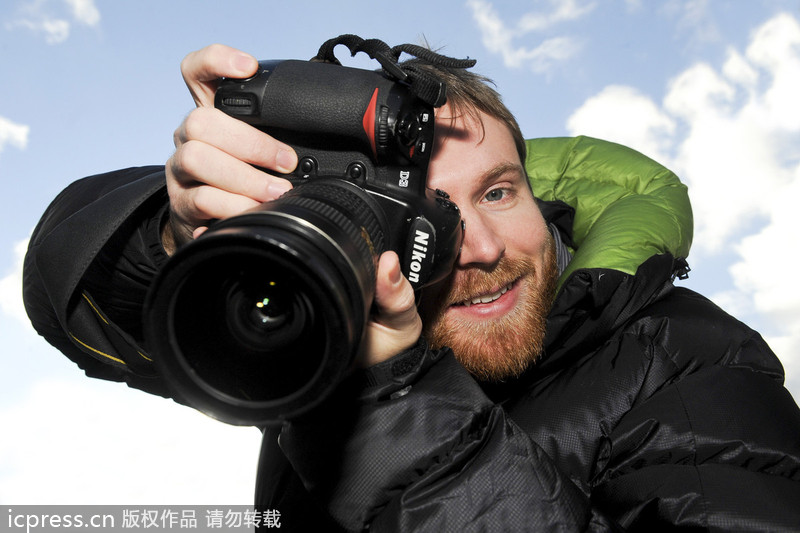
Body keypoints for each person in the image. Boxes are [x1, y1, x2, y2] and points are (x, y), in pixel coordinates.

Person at [23, 40, 800, 531]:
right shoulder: (327, 337)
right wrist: (185, 233)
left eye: (498, 191)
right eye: (425, 214)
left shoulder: (684, 351)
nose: (482, 248)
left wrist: (398, 400)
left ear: (540, 193)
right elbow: (70, 296)